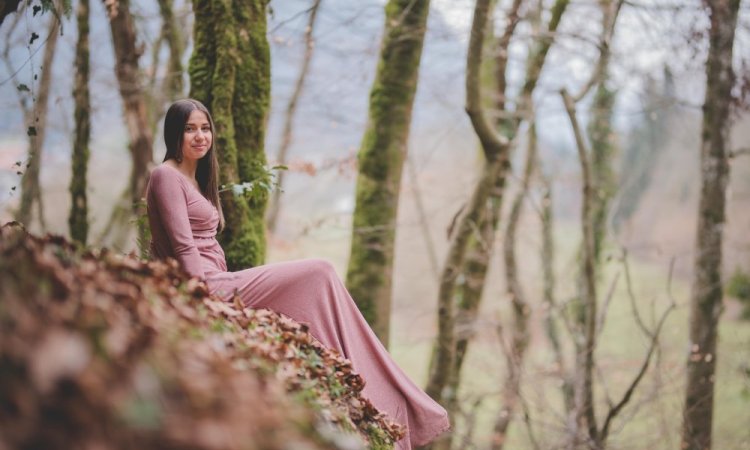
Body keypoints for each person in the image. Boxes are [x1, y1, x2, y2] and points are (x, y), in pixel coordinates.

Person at [146, 99, 450, 449]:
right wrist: (203, 300)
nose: (200, 136)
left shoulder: (193, 178)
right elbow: (185, 249)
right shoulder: (165, 176)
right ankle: (384, 391)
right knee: (319, 271)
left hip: (217, 279)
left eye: (205, 128)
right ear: (174, 133)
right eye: (189, 129)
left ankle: (386, 392)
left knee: (323, 285)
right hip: (207, 286)